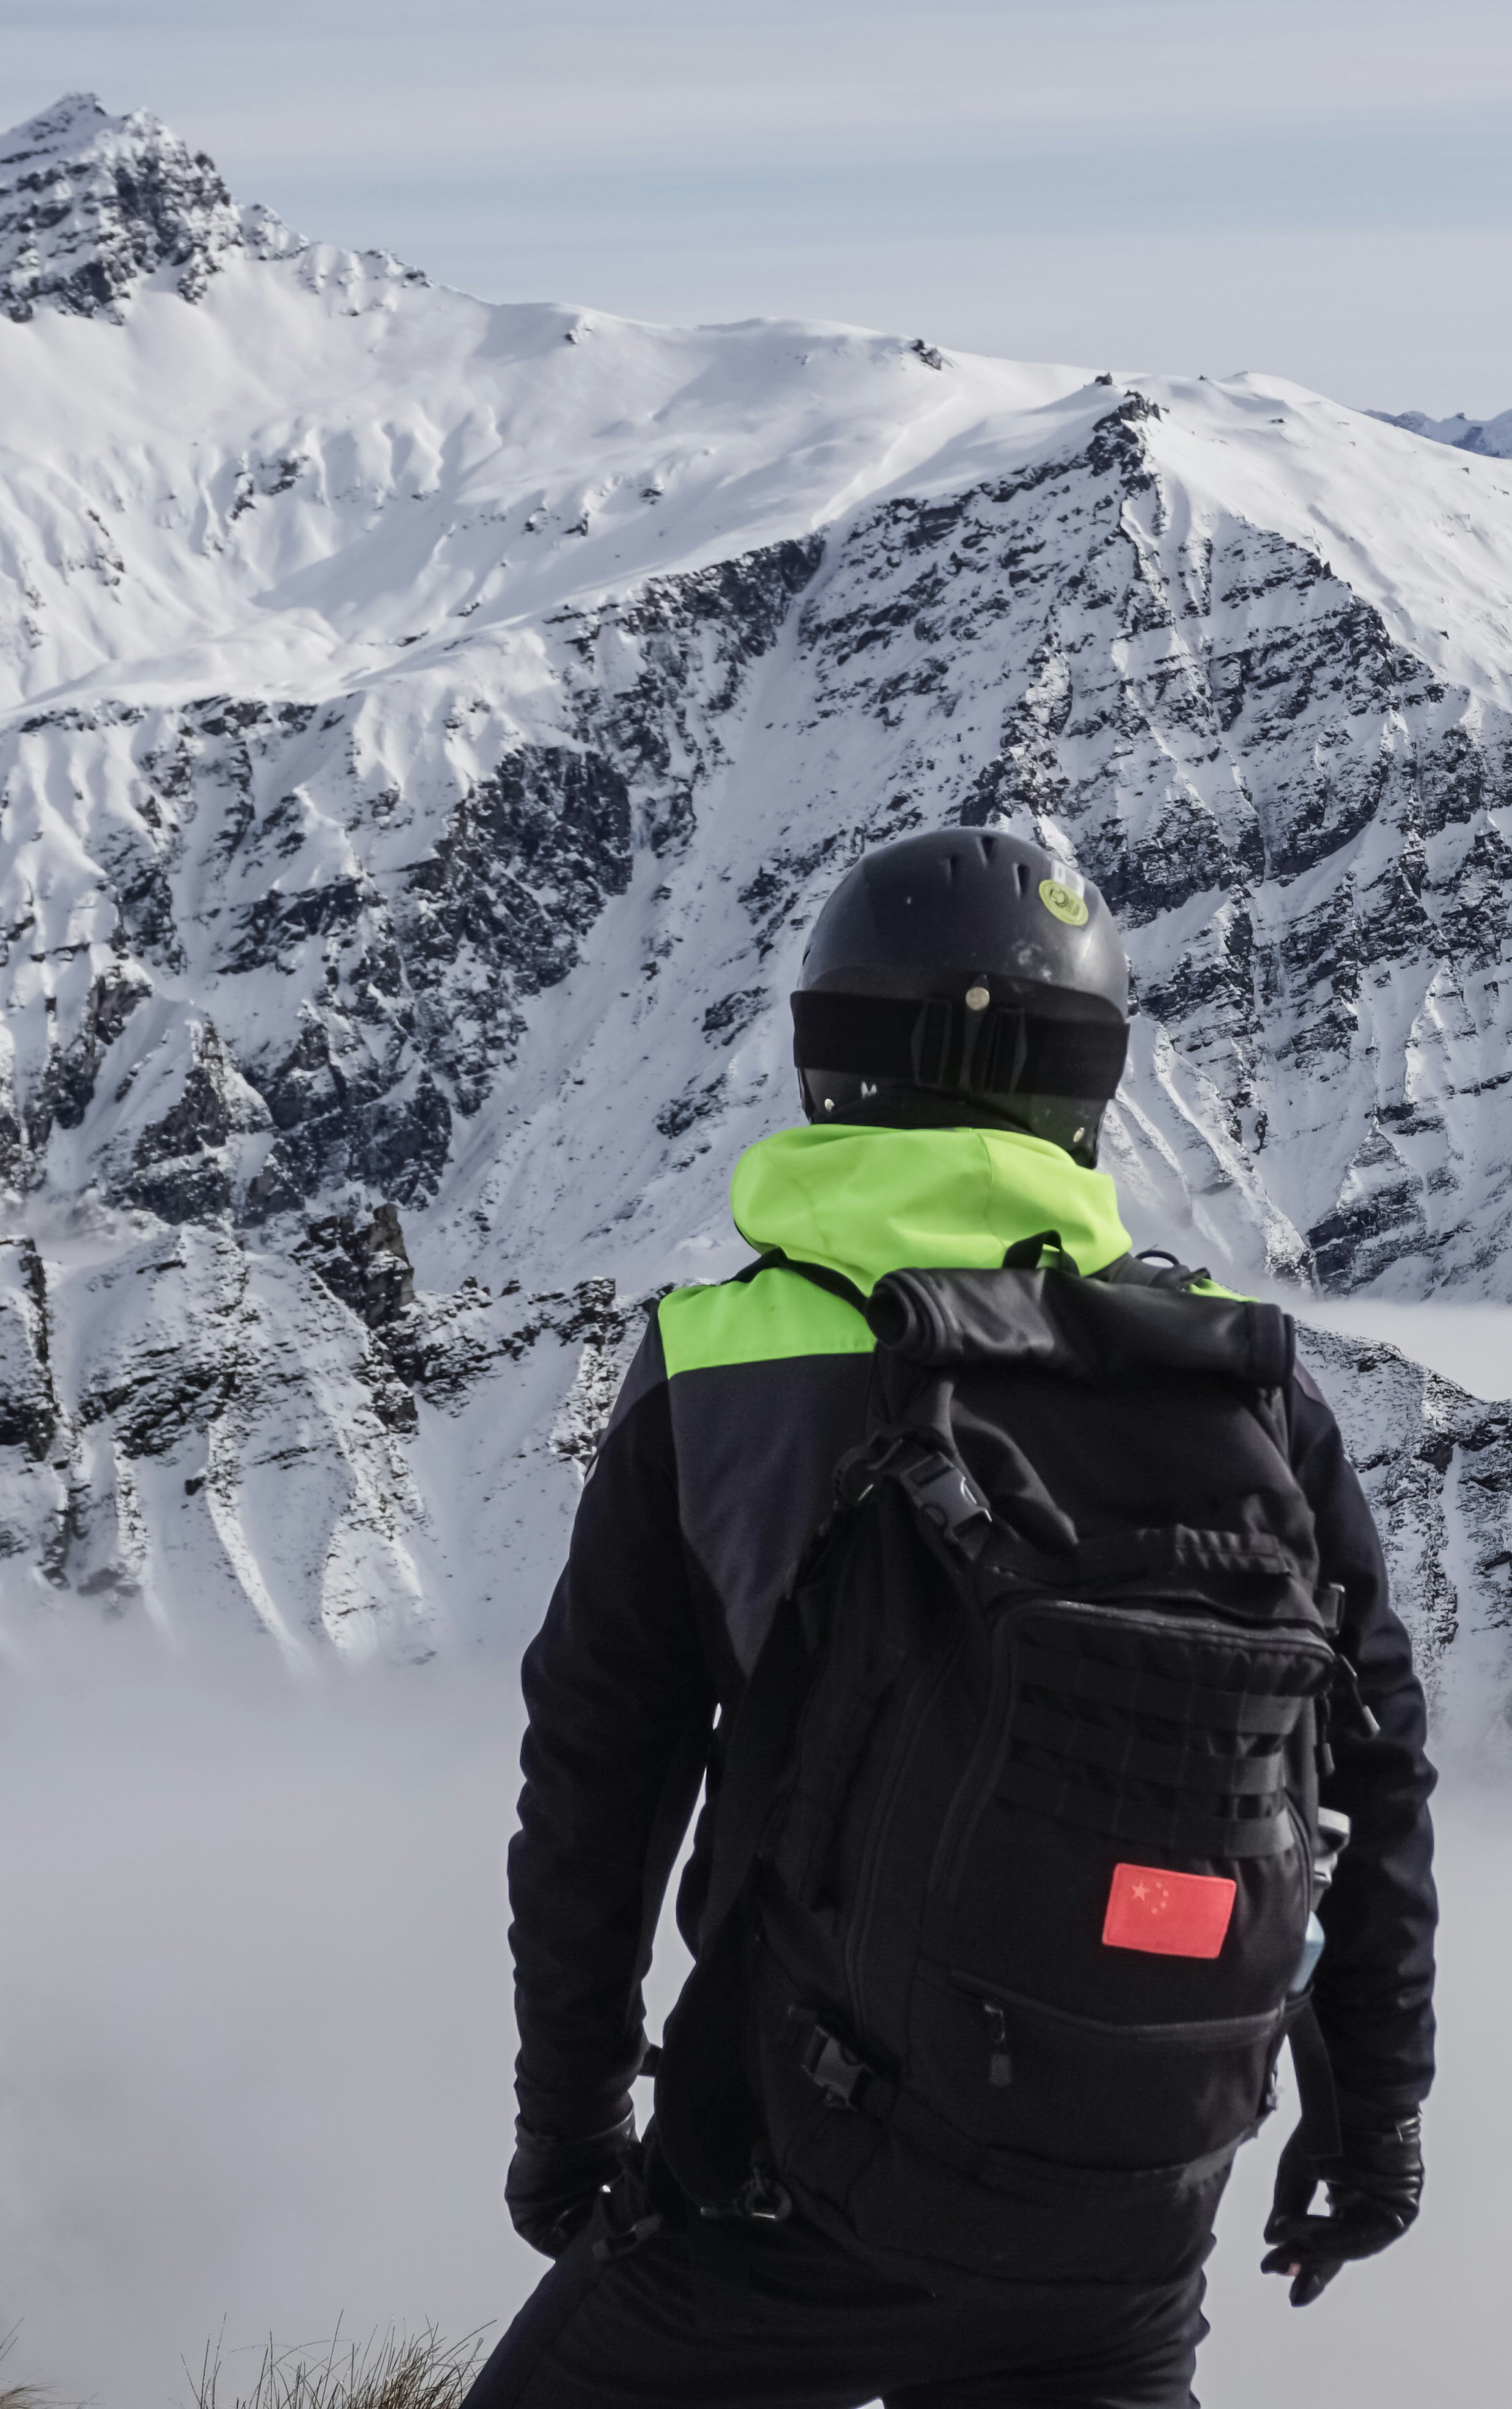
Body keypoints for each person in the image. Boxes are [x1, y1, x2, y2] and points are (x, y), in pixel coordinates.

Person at [463, 826, 1439, 2409]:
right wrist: (1372, 2119)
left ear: (832, 1050)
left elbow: (598, 1782)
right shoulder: (1244, 1390)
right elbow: (1366, 1775)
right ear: (1086, 1083)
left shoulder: (723, 1374)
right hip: (1131, 2214)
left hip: (795, 2194)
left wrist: (570, 2124)